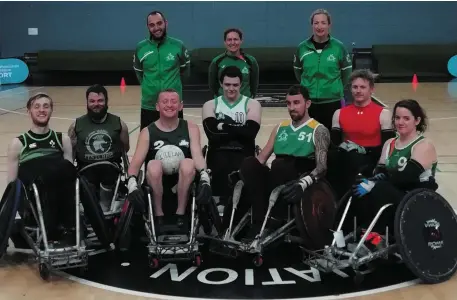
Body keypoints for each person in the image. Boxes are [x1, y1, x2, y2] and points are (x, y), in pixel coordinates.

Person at [234, 85, 331, 241]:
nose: (292, 108)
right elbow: (262, 157)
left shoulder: (318, 130)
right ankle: (257, 221)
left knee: (279, 166)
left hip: (299, 175)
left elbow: (322, 166)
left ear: (308, 104)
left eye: (296, 103)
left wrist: (305, 182)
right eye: (288, 103)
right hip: (277, 173)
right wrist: (244, 172)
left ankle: (272, 221)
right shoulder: (280, 127)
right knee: (249, 163)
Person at [351, 99, 438, 242]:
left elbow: (406, 177)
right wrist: (367, 179)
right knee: (357, 188)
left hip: (417, 197)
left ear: (417, 121)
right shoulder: (389, 143)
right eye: (397, 118)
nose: (400, 122)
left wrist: (375, 184)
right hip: (395, 193)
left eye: (406, 118)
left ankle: (377, 235)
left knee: (380, 188)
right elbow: (380, 172)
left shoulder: (423, 145)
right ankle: (351, 233)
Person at [126, 88, 211, 232]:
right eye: (165, 102)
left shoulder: (190, 128)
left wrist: (204, 176)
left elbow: (197, 156)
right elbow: (135, 163)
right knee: (153, 165)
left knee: (188, 163)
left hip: (184, 180)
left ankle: (181, 215)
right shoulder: (147, 131)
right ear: (157, 106)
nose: (169, 105)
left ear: (181, 105)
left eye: (173, 101)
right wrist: (132, 183)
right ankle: (159, 216)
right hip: (156, 181)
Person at [6, 93, 76, 243]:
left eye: (46, 106)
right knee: (44, 176)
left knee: (68, 171)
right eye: (36, 107)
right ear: (29, 111)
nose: (41, 110)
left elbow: (71, 177)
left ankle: (69, 227)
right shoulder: (18, 143)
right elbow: (12, 185)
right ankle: (55, 229)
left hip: (59, 190)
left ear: (51, 110)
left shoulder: (62, 139)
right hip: (35, 190)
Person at [327, 69, 395, 198]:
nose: (358, 91)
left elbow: (388, 146)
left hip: (371, 159)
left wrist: (365, 150)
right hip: (346, 159)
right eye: (355, 87)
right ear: (351, 89)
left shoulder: (383, 114)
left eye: (363, 87)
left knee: (352, 159)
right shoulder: (339, 113)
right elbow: (334, 144)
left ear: (371, 89)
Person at [202, 66, 262, 206]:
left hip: (243, 152)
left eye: (235, 85)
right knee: (221, 161)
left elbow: (250, 133)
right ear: (221, 84)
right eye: (227, 84)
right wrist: (240, 128)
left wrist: (223, 125)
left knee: (241, 167)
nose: (231, 88)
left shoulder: (252, 104)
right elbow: (212, 135)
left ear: (241, 84)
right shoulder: (210, 104)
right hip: (218, 154)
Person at [68, 84, 130, 212]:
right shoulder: (76, 125)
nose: (96, 104)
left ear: (106, 101)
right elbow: (70, 153)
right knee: (87, 181)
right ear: (87, 102)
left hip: (111, 168)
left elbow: (125, 150)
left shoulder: (119, 124)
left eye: (100, 100)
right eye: (92, 101)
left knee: (108, 174)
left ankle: (105, 209)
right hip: (85, 169)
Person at [293, 8, 353, 130]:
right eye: (316, 23)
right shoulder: (302, 48)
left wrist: (335, 88)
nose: (319, 26)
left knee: (333, 140)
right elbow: (298, 72)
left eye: (323, 23)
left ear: (329, 25)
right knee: (309, 141)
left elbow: (346, 73)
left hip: (333, 102)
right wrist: (308, 87)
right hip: (309, 103)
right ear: (312, 25)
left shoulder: (339, 47)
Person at [133, 10, 191, 130]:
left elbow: (185, 72)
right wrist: (149, 88)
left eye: (159, 23)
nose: (156, 28)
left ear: (166, 23)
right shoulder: (140, 48)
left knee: (176, 144)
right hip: (149, 105)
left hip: (173, 105)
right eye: (152, 25)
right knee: (148, 143)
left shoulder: (178, 46)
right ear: (148, 27)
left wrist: (174, 87)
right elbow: (139, 74)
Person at [208, 28, 259, 99]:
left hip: (245, 104)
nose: (232, 42)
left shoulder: (250, 61)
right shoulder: (217, 61)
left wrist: (249, 99)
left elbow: (254, 85)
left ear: (241, 41)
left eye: (235, 39)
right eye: (229, 40)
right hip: (223, 105)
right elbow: (212, 86)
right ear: (225, 42)